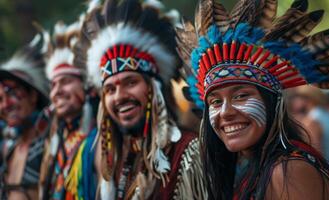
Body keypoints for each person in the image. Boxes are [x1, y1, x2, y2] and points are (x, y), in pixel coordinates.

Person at [176, 0, 329, 199]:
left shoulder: (288, 170)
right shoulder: (254, 168)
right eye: (216, 102)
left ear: (272, 103)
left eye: (241, 96)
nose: (225, 112)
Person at [74, 0, 205, 199]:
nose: (119, 96)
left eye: (130, 82)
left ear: (155, 89)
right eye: (110, 89)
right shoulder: (106, 159)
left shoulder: (188, 153)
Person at [39, 18, 99, 200]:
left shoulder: (102, 139)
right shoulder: (54, 141)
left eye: (65, 81)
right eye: (54, 84)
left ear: (87, 86)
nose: (57, 91)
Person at [0, 32, 50, 199]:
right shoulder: (8, 147)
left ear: (33, 96)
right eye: (0, 99)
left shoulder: (51, 144)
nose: (5, 104)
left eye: (13, 93)